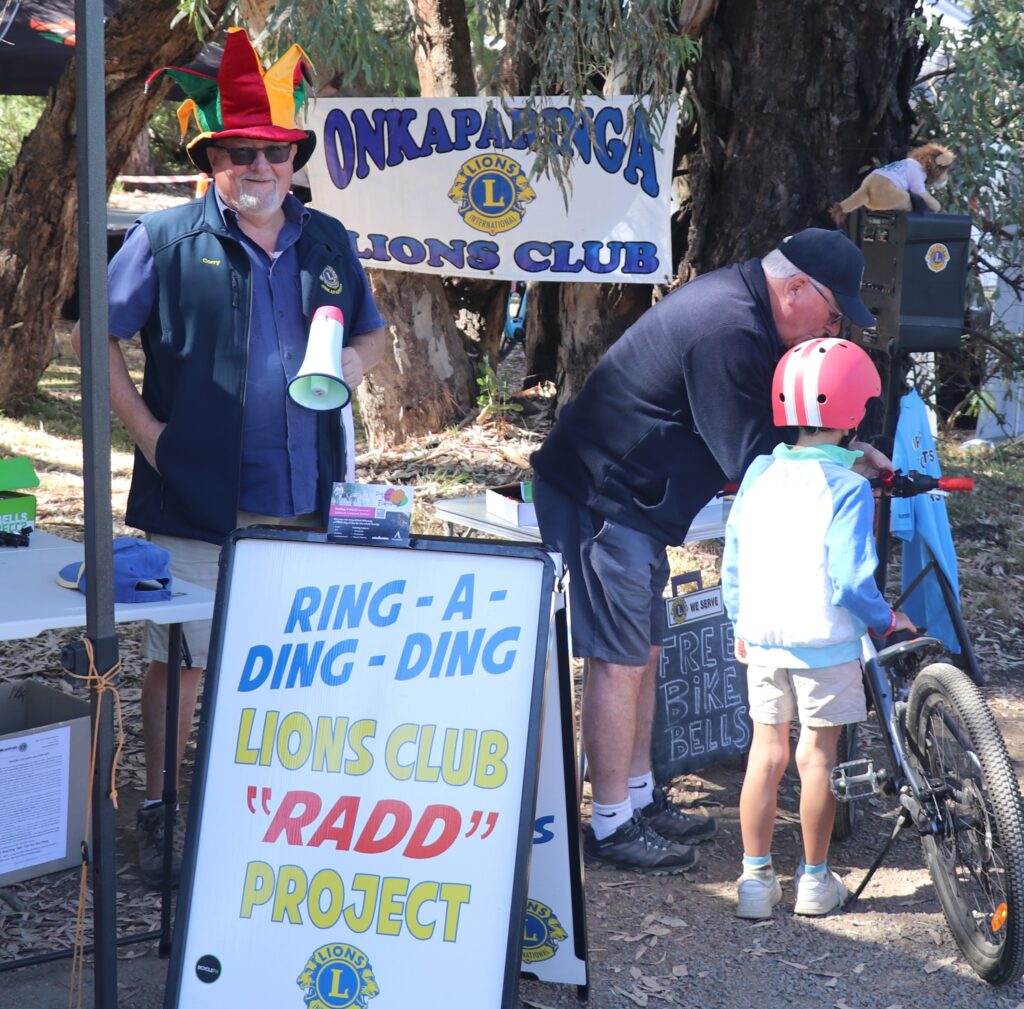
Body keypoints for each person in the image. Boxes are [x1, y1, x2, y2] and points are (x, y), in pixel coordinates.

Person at [71, 29, 387, 888]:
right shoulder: (167, 238)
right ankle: (163, 813)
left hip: (308, 502)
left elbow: (371, 330)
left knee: (291, 667)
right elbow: (91, 335)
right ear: (211, 158)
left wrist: (350, 366)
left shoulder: (326, 241)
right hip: (198, 499)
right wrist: (150, 434)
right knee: (182, 663)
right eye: (241, 152)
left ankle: (261, 809)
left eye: (275, 153)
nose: (260, 167)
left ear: (293, 161)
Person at [530, 227, 887, 874]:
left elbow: (778, 436)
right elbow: (754, 455)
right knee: (618, 658)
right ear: (796, 287)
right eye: (833, 314)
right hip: (600, 495)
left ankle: (640, 795)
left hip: (639, 502)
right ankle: (610, 822)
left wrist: (848, 449)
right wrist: (845, 465)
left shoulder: (745, 312)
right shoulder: (729, 326)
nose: (833, 330)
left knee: (646, 649)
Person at [721, 337, 916, 918]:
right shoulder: (850, 489)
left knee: (766, 755)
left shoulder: (758, 473)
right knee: (816, 760)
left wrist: (739, 619)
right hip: (825, 641)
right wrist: (888, 620)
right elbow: (852, 581)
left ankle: (754, 883)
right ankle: (813, 881)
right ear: (855, 413)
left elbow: (733, 558)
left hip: (762, 635)